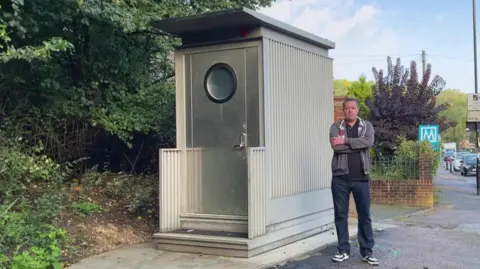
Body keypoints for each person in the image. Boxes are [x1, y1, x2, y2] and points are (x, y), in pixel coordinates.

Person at [329, 97, 379, 266]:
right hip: (340, 178)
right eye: (347, 108)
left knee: (364, 215)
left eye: (352, 108)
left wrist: (346, 141)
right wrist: (355, 145)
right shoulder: (336, 127)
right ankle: (343, 250)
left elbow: (368, 142)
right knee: (341, 215)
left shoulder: (367, 126)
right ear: (343, 111)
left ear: (357, 110)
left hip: (362, 178)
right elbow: (336, 147)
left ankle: (367, 251)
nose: (349, 110)